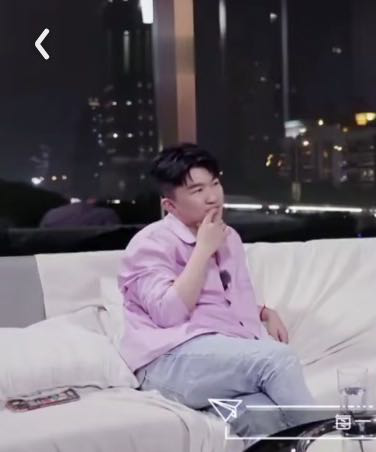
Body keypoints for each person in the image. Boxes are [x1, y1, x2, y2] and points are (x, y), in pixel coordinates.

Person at [118, 144, 315, 437]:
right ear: (170, 205)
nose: (213, 197)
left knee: (261, 416)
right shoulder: (150, 243)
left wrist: (263, 312)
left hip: (215, 358)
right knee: (279, 358)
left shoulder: (228, 237)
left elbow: (226, 302)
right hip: (166, 361)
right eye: (197, 190)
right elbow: (168, 313)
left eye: (215, 184)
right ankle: (329, 443)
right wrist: (203, 250)